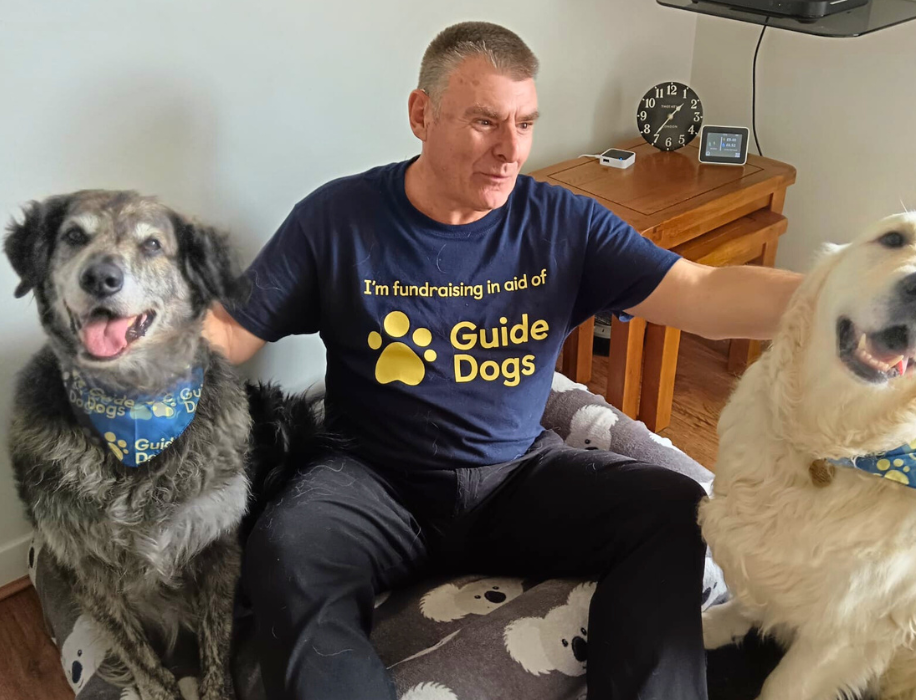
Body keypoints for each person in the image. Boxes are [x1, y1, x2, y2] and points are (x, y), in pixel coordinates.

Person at [204, 20, 801, 700]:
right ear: (421, 115)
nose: (510, 149)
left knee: (673, 505)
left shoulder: (564, 222)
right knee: (283, 549)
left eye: (525, 123)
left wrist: (835, 302)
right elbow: (229, 330)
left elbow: (701, 290)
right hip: (371, 480)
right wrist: (127, 350)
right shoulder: (338, 219)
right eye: (485, 121)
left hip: (515, 477)